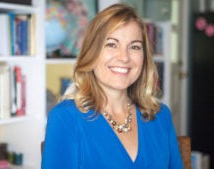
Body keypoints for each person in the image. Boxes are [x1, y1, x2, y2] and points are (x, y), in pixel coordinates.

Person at [42, 3, 183, 169]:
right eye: (111, 44)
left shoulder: (160, 115)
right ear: (91, 52)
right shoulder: (65, 118)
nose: (124, 57)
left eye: (134, 47)